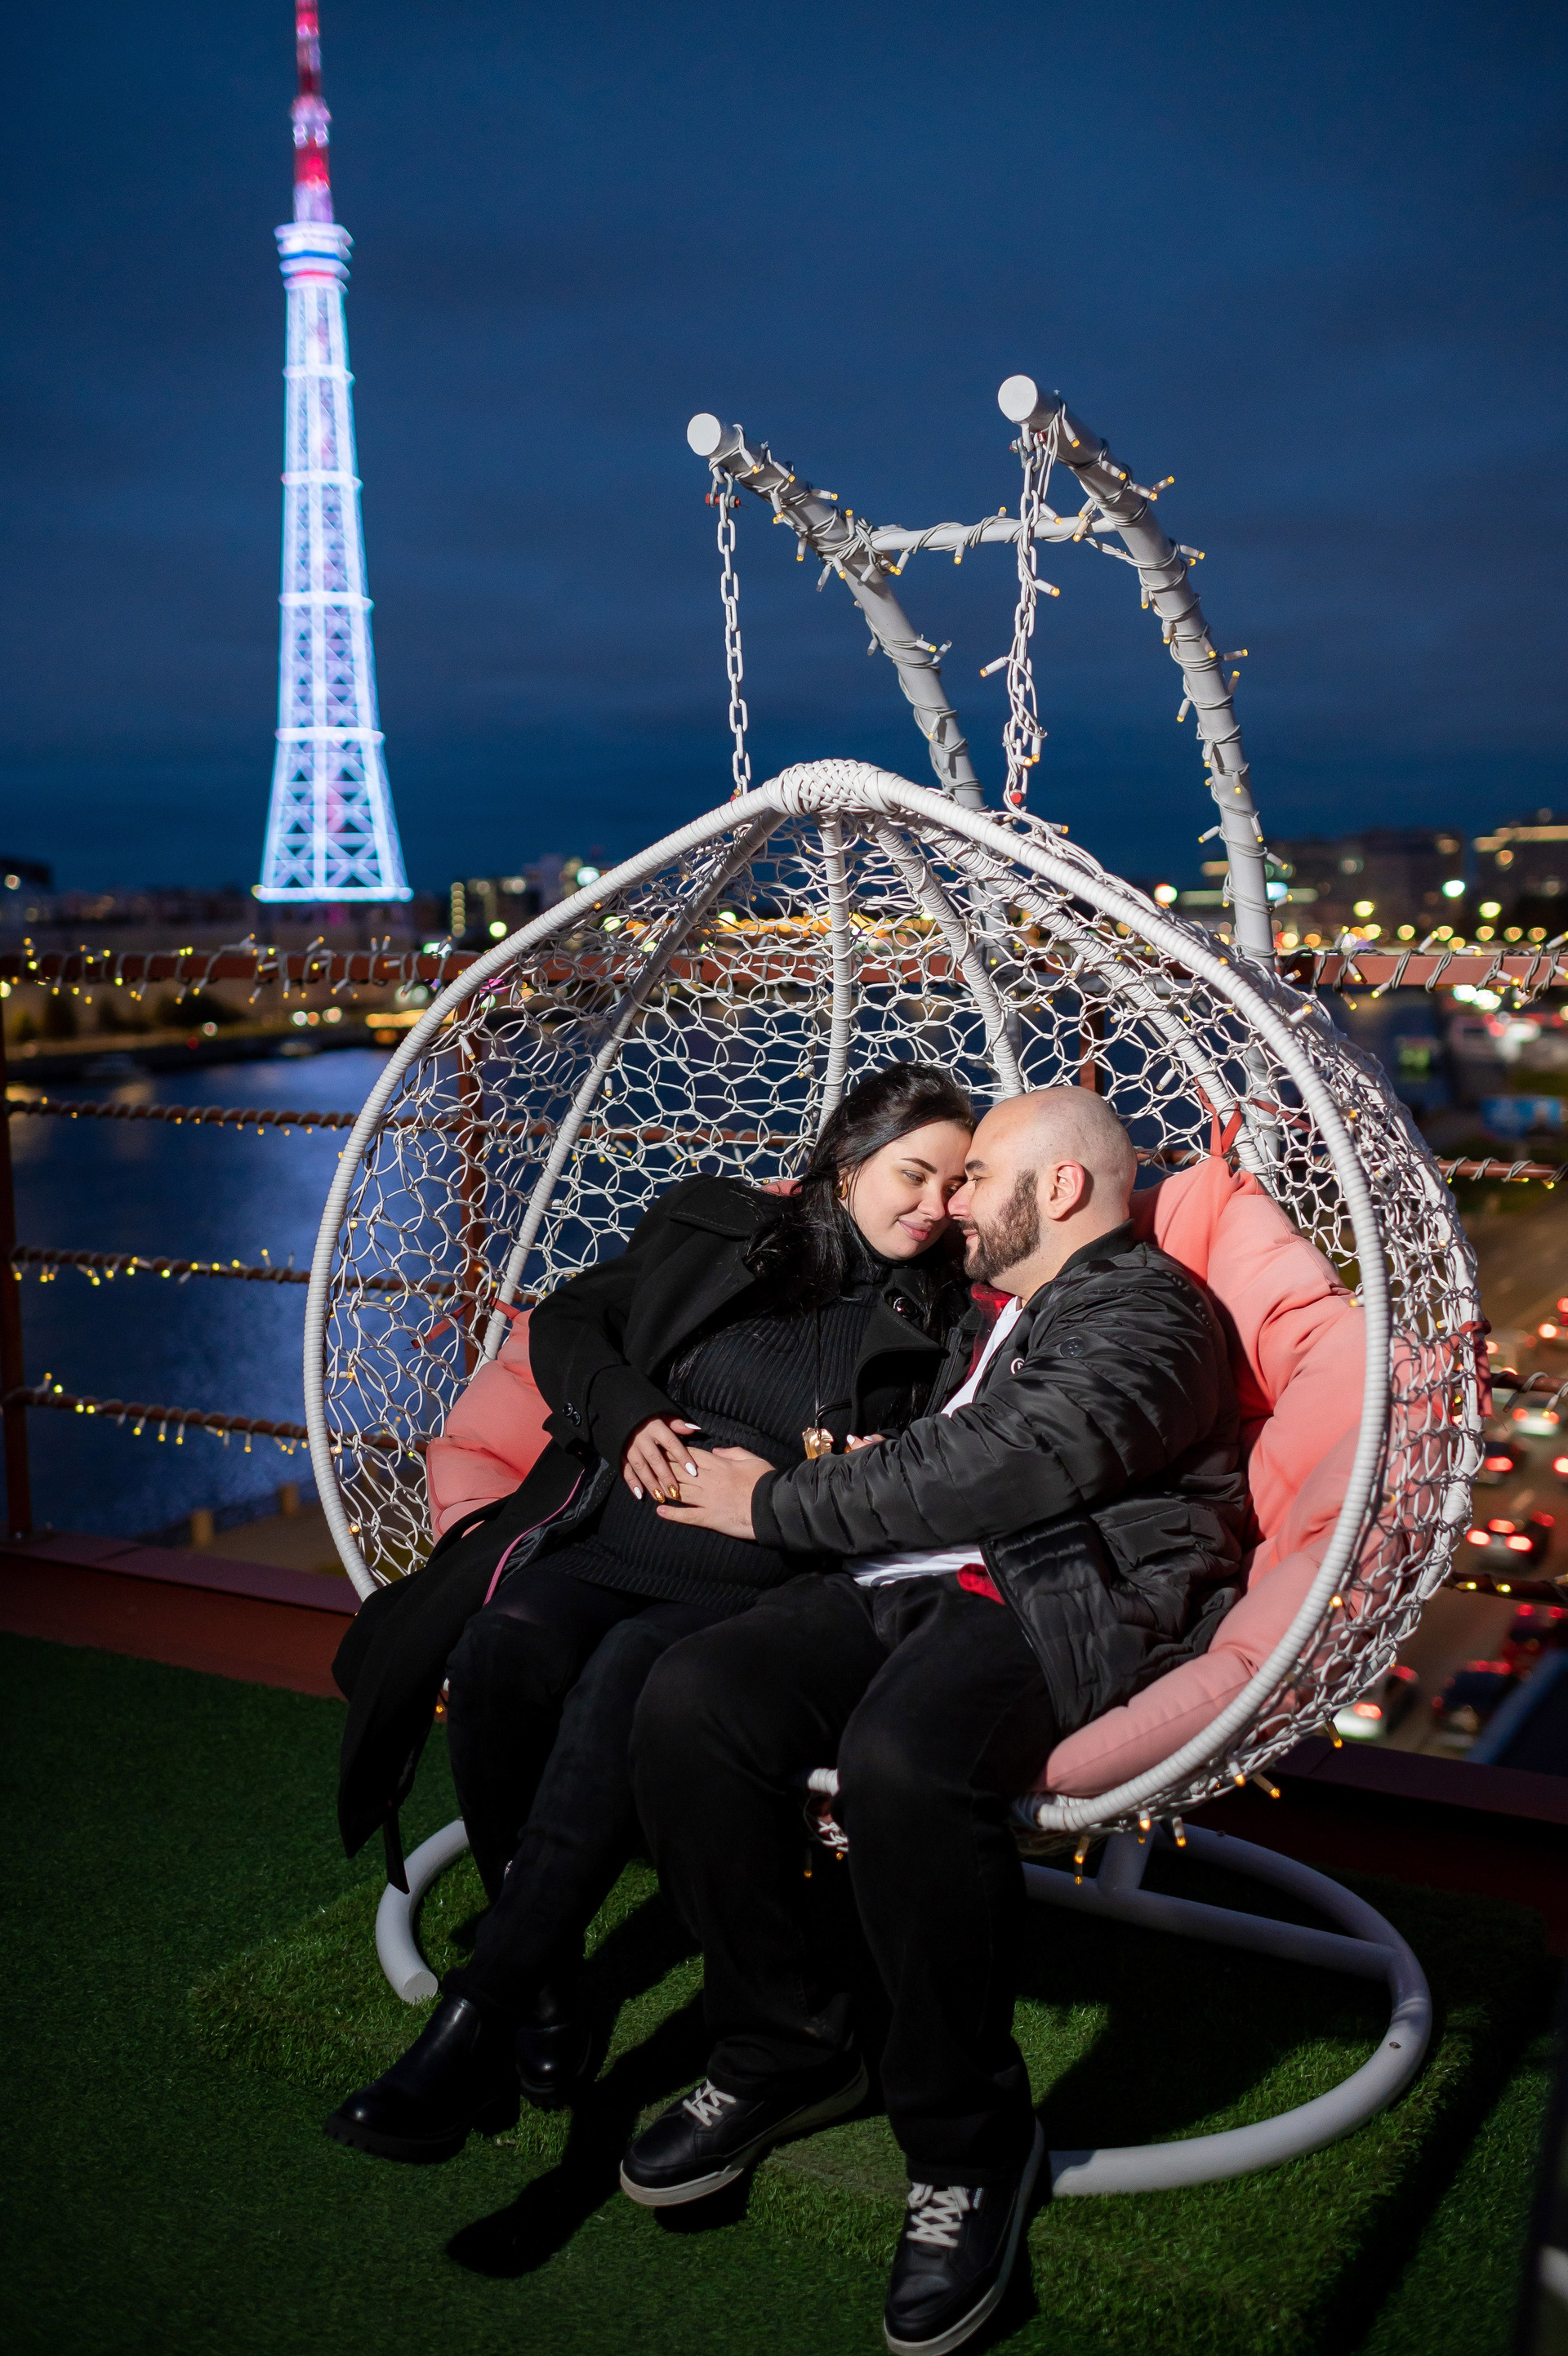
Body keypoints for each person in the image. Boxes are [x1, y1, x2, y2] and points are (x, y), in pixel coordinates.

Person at [619, 1087, 1247, 2356]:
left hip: (1050, 1597)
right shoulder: (1000, 1311)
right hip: (908, 1580)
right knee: (692, 1697)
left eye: (978, 1176)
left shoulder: (1155, 1312)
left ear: (1060, 1188)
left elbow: (1010, 1461)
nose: (953, 1201)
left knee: (902, 1762)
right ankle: (788, 2042)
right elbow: (947, 1445)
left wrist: (778, 1502)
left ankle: (969, 2142)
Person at [323, 1061, 977, 2163]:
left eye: (956, 1186)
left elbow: (948, 1459)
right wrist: (626, 1411)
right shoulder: (722, 1227)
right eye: (915, 1173)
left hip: (756, 1576)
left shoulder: (947, 1311)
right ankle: (549, 1979)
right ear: (849, 1160)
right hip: (605, 1527)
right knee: (499, 1649)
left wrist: (861, 1468)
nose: (934, 1205)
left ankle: (477, 2017)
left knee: (628, 1671)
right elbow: (575, 1317)